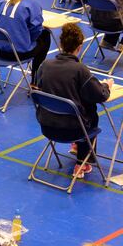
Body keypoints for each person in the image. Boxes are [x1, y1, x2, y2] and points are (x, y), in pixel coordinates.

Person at [35, 23, 112, 179]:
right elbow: (100, 95)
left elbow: (40, 86)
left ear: (61, 44)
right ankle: (83, 162)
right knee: (90, 111)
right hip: (73, 130)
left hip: (47, 126)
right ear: (80, 46)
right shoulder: (80, 70)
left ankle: (77, 147)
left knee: (73, 106)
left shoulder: (45, 65)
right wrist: (106, 86)